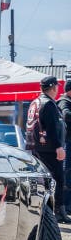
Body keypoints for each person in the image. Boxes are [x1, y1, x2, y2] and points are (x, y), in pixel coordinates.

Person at [30, 76, 68, 223]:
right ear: (53, 88)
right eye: (56, 87)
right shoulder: (48, 104)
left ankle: (48, 212)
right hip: (49, 149)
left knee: (45, 181)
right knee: (58, 179)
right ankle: (58, 212)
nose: (58, 89)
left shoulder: (36, 101)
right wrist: (58, 146)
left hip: (37, 147)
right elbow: (51, 127)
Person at [56, 80, 71, 212]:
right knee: (67, 174)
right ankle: (66, 206)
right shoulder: (64, 101)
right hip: (67, 143)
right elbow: (66, 114)